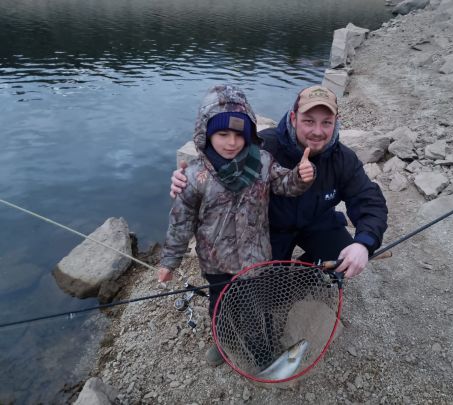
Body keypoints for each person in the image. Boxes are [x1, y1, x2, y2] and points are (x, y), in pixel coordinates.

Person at [158, 84, 315, 366]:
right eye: (222, 134)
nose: (231, 142)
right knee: (219, 307)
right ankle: (225, 341)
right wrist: (169, 262)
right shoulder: (193, 176)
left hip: (256, 259)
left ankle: (264, 353)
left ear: (248, 135)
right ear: (206, 134)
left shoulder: (263, 162)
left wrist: (301, 176)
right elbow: (180, 222)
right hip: (216, 263)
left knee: (257, 310)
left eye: (238, 135)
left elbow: (285, 185)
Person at [170, 85, 388, 278]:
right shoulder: (263, 148)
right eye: (308, 121)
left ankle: (307, 270)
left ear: (336, 123)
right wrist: (185, 179)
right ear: (293, 118)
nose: (317, 131)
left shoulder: (344, 159)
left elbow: (370, 200)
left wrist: (364, 243)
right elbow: (218, 166)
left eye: (326, 123)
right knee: (262, 287)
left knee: (345, 253)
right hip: (268, 231)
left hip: (317, 222)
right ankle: (277, 274)